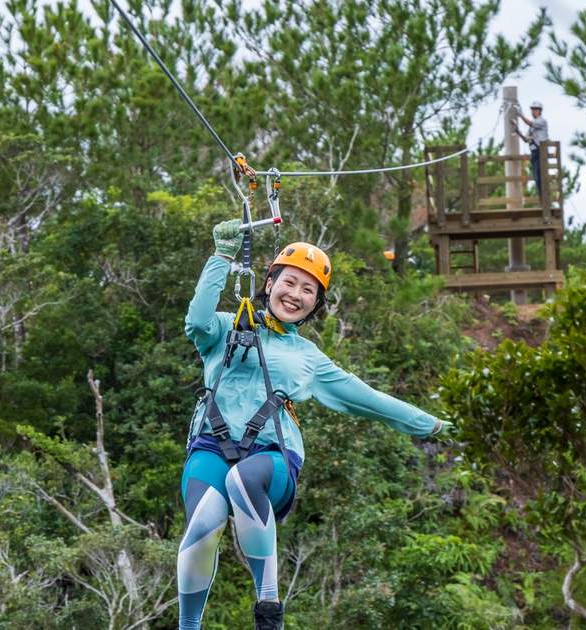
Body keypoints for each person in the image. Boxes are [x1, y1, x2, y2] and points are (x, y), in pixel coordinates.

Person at [177, 220, 454, 630]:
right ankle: (188, 626)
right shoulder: (224, 327)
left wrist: (428, 424)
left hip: (271, 456)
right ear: (269, 283)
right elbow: (196, 321)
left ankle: (268, 610)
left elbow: (367, 398)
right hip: (211, 448)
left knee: (242, 481)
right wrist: (220, 257)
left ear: (315, 305)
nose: (296, 295)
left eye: (309, 291)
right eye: (290, 282)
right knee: (204, 520)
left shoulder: (309, 359)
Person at [517, 100, 549, 202]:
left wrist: (520, 115)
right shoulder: (531, 128)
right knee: (536, 176)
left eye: (535, 110)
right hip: (534, 153)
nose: (533, 112)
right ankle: (542, 198)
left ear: (540, 111)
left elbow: (529, 123)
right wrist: (517, 130)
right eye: (532, 110)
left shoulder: (541, 121)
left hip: (541, 152)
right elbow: (526, 139)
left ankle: (544, 199)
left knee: (540, 176)